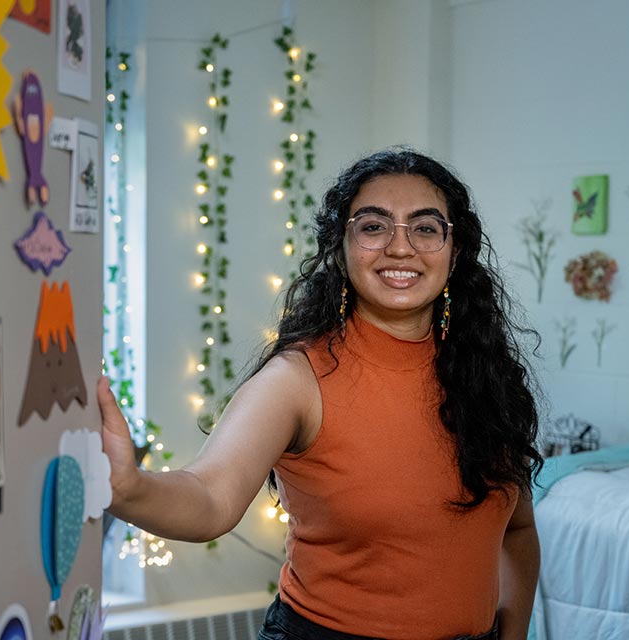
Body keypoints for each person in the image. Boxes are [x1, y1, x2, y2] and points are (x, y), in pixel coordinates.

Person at [98, 148, 543, 640]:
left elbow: (517, 528)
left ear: (454, 252)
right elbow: (209, 498)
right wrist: (128, 487)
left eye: (425, 227)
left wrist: (512, 633)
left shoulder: (484, 377)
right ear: (340, 247)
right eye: (373, 227)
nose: (400, 247)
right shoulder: (296, 379)